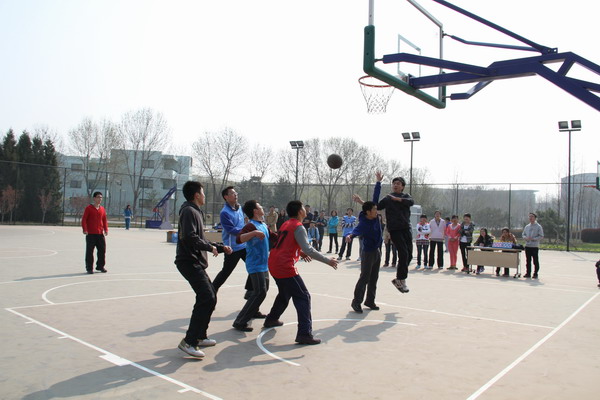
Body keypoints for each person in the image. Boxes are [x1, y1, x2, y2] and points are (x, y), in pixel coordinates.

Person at [263, 200, 338, 345]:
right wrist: (327, 261)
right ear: (300, 211)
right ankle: (304, 333)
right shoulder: (298, 226)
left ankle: (271, 319)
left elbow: (286, 243)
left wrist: (300, 252)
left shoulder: (286, 223)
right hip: (284, 266)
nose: (305, 210)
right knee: (303, 296)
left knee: (285, 293)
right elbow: (309, 249)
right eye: (303, 208)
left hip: (274, 263)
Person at [175, 181, 232, 358]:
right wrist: (210, 247)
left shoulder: (195, 211)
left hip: (195, 261)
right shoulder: (189, 211)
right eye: (203, 192)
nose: (205, 195)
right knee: (206, 297)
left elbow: (200, 238)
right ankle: (189, 341)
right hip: (188, 261)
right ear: (196, 195)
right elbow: (190, 237)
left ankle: (200, 336)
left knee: (211, 296)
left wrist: (219, 247)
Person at [232, 200, 278, 332]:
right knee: (260, 292)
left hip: (263, 264)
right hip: (255, 264)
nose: (262, 208)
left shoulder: (263, 225)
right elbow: (238, 239)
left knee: (263, 290)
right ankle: (240, 321)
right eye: (260, 206)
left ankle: (253, 310)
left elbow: (275, 238)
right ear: (255, 211)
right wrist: (254, 233)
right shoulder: (251, 226)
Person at [213, 187, 259, 313]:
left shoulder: (239, 208)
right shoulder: (224, 213)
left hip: (243, 246)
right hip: (232, 248)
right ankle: (211, 293)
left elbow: (243, 224)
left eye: (236, 192)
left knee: (255, 266)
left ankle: (250, 292)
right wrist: (249, 232)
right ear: (226, 197)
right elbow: (231, 230)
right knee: (225, 273)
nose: (235, 194)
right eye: (232, 193)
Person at [347, 171, 383, 313]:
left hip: (377, 251)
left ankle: (370, 301)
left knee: (374, 277)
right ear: (368, 212)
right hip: (368, 253)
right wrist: (350, 236)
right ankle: (356, 302)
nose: (376, 210)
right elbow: (355, 231)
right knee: (365, 278)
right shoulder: (364, 223)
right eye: (374, 209)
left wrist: (378, 182)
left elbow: (375, 197)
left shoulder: (373, 216)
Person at [376, 177, 414, 293]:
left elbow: (411, 202)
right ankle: (401, 279)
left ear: (402, 186)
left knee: (409, 255)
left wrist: (398, 200)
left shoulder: (406, 196)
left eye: (398, 183)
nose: (395, 185)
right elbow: (376, 206)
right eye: (394, 183)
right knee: (403, 253)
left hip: (406, 228)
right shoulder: (388, 198)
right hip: (394, 229)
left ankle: (399, 279)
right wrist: (378, 183)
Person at [81, 191, 109, 274]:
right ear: (94, 198)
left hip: (100, 234)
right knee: (89, 251)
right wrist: (85, 229)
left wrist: (106, 229)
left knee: (102, 250)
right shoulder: (89, 208)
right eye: (98, 197)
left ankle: (100, 266)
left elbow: (104, 220)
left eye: (101, 197)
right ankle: (89, 268)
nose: (100, 199)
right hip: (90, 234)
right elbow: (84, 219)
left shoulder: (102, 209)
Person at [523, 213, 544, 279]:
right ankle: (528, 273)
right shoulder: (527, 226)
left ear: (535, 218)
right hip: (527, 246)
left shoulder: (538, 226)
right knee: (528, 261)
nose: (530, 218)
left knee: (535, 261)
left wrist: (534, 239)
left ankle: (535, 273)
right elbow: (523, 234)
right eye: (529, 217)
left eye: (532, 216)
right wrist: (525, 238)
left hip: (534, 246)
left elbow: (541, 236)